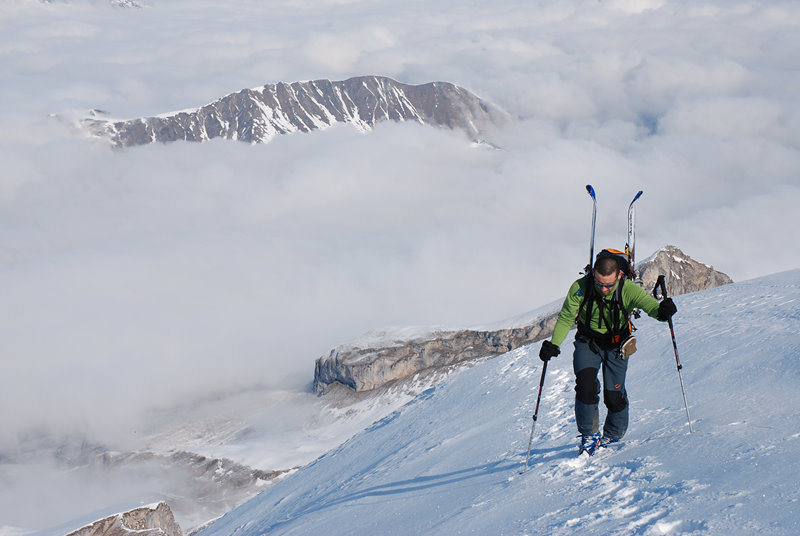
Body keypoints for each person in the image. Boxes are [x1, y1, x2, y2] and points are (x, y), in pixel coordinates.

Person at [538, 249, 677, 455]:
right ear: (593, 275)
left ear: (619, 276)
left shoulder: (628, 290)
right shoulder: (580, 288)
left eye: (609, 285)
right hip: (588, 342)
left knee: (614, 394)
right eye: (600, 284)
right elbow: (567, 317)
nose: (604, 289)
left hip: (617, 345)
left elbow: (652, 309)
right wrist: (554, 344)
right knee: (585, 386)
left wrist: (664, 312)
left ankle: (613, 434)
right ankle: (589, 435)